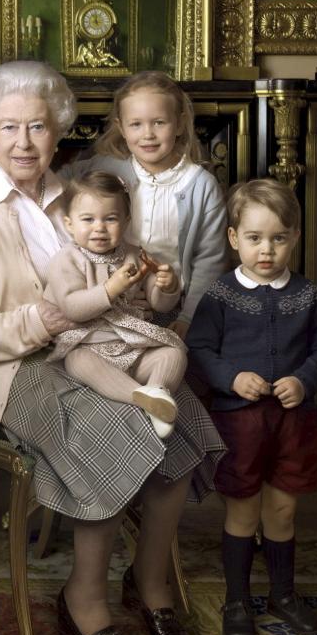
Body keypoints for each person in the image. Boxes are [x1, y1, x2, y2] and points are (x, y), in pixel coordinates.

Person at [0, 61, 225, 635]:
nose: (24, 142)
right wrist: (47, 322)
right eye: (9, 127)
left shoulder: (80, 195)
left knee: (182, 417)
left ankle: (149, 581)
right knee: (115, 426)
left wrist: (152, 293)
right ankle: (83, 596)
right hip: (6, 367)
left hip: (95, 348)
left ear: (58, 130)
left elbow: (124, 285)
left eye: (38, 126)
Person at [185, 179, 317, 635]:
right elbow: (199, 349)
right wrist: (231, 377)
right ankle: (237, 597)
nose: (266, 250)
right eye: (254, 238)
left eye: (277, 238)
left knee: (283, 509)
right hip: (240, 423)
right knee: (243, 510)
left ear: (294, 237)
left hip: (293, 423)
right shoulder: (220, 295)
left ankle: (283, 594)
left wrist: (304, 378)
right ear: (234, 239)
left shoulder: (308, 295)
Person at [68, 70, 229, 339]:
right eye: (136, 124)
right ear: (121, 128)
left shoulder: (201, 185)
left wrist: (188, 316)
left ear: (179, 124)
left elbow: (209, 261)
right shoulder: (106, 168)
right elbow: (58, 184)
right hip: (109, 294)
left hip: (171, 300)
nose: (148, 135)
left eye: (159, 122)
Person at [44, 170, 187, 438]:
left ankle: (157, 391)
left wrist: (167, 287)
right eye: (88, 219)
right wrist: (111, 289)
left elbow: (159, 306)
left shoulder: (136, 254)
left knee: (173, 354)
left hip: (132, 345)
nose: (99, 227)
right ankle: (142, 399)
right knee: (77, 361)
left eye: (110, 219)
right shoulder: (67, 260)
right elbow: (72, 307)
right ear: (69, 224)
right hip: (90, 343)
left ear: (126, 221)